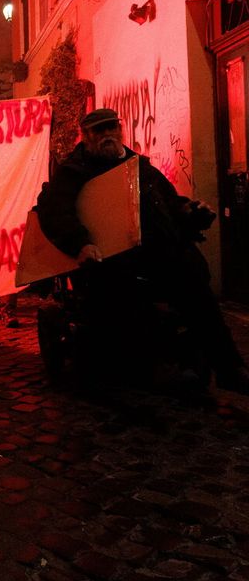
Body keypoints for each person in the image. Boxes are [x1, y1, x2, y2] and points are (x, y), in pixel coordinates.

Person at [36, 107, 249, 394]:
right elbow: (57, 214)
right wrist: (80, 244)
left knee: (199, 295)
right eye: (99, 130)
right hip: (107, 258)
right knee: (120, 299)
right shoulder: (73, 173)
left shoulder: (141, 167)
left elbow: (169, 202)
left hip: (156, 253)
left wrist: (191, 212)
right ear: (86, 136)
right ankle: (141, 366)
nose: (108, 135)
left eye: (112, 128)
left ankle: (227, 368)